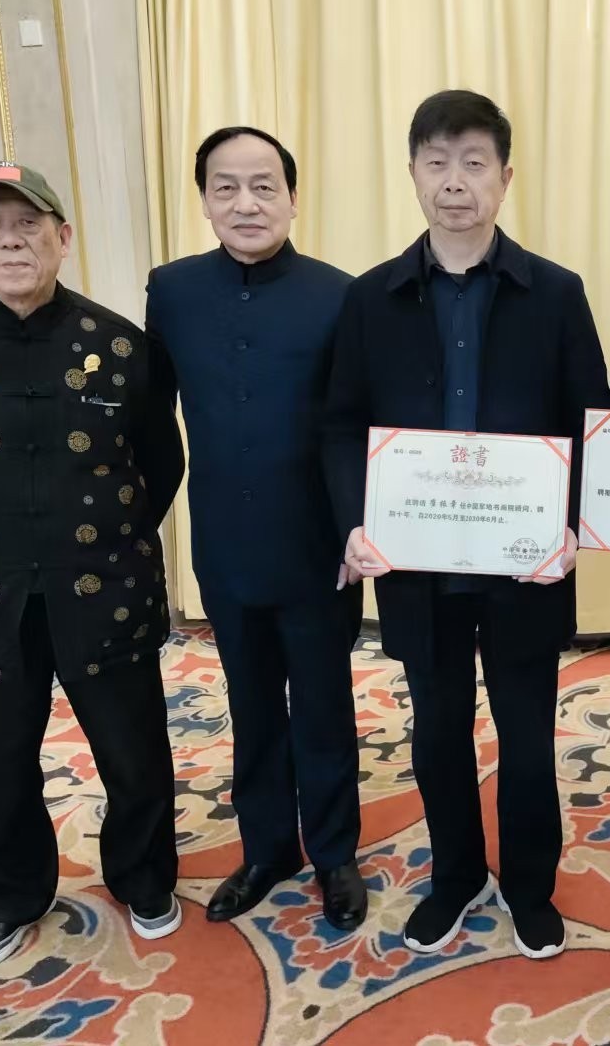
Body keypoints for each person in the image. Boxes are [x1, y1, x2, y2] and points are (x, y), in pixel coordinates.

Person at [324, 90, 610, 960]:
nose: (455, 182)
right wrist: (353, 522)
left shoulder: (554, 293)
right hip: (417, 564)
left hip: (523, 564)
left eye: (474, 163)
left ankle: (528, 884)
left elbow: (590, 423)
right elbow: (341, 423)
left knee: (525, 737)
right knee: (437, 729)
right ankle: (453, 876)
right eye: (437, 162)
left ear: (505, 178)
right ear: (412, 174)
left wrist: (574, 524)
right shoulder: (371, 298)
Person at [0, 163, 185, 970]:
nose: (10, 241)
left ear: (63, 236)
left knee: (133, 752)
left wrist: (106, 535)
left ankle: (143, 878)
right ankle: (12, 896)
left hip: (103, 587)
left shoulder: (120, 345)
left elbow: (161, 462)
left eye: (28, 224)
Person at [144, 128, 368, 929]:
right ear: (204, 200)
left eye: (264, 185)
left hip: (317, 548)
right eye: (226, 187)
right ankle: (267, 849)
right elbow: (151, 416)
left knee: (323, 706)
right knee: (250, 705)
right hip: (224, 544)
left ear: (293, 198)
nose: (246, 203)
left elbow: (355, 426)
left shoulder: (341, 295)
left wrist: (357, 526)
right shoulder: (171, 291)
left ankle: (334, 854)